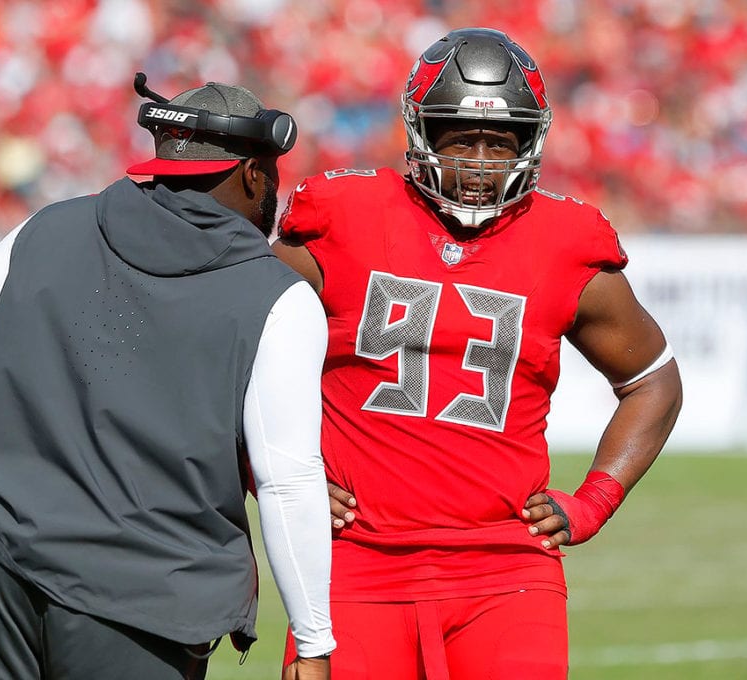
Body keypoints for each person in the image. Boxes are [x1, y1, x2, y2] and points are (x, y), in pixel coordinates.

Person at [272, 27, 682, 679]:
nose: (482, 159)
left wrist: (593, 501)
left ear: (532, 141)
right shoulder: (342, 215)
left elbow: (653, 379)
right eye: (461, 135)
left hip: (506, 572)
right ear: (422, 132)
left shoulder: (565, 240)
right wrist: (267, 472)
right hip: (352, 561)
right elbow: (227, 351)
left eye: (502, 139)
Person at [0, 75, 334, 680]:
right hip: (151, 595)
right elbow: (287, 480)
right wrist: (313, 637)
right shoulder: (279, 297)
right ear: (252, 174)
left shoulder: (43, 230)